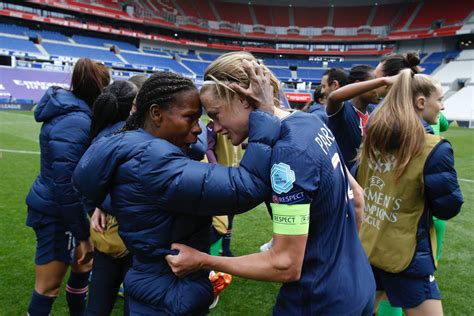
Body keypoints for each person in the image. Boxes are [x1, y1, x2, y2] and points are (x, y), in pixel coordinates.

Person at [166, 52, 375, 315]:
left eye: (216, 115)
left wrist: (202, 260)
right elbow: (357, 198)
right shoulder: (310, 120)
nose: (215, 127)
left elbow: (286, 263)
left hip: (318, 300)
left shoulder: (288, 155)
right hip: (357, 282)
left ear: (243, 99)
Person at [72, 70, 281, 315]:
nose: (199, 129)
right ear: (156, 114)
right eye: (189, 118)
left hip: (159, 288)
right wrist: (265, 114)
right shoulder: (152, 162)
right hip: (168, 297)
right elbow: (245, 187)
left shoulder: (138, 147)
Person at [354, 69, 463, 316]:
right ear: (421, 102)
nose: (442, 107)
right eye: (440, 99)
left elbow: (359, 180)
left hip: (369, 244)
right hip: (406, 254)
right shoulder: (432, 147)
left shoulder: (374, 136)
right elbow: (448, 207)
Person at [25, 58, 110, 316]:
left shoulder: (77, 114)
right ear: (100, 88)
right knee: (48, 287)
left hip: (62, 208)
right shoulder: (75, 121)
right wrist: (82, 234)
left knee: (82, 269)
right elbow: (65, 184)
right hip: (55, 212)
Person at [85, 80, 138, 316]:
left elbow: (85, 185)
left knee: (97, 304)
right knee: (134, 306)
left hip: (106, 236)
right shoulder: (136, 139)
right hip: (132, 239)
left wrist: (98, 204)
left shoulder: (98, 134)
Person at [326, 64, 381, 169]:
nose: (378, 88)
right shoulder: (342, 109)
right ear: (358, 85)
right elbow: (333, 98)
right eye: (373, 83)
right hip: (343, 178)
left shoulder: (373, 111)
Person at [206, 120, 245, 257]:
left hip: (236, 175)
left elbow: (240, 146)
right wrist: (215, 167)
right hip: (221, 177)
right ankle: (211, 252)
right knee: (219, 220)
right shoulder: (212, 125)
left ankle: (225, 249)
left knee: (230, 217)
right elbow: (208, 148)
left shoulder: (239, 122)